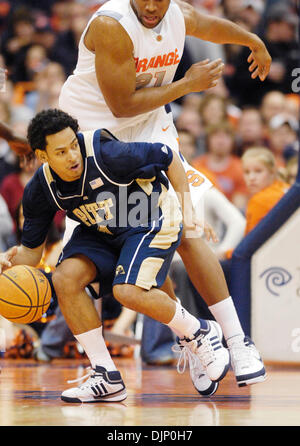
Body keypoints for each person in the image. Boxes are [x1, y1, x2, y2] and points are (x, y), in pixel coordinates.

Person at [57, 0, 270, 390]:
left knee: (187, 230)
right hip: (98, 141)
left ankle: (239, 342)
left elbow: (207, 24)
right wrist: (188, 84)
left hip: (151, 128)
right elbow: (121, 107)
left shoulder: (176, 13)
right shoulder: (112, 26)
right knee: (141, 246)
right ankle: (193, 338)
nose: (153, 6)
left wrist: (252, 39)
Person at [0, 108, 231, 403]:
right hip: (102, 231)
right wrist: (7, 263)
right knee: (65, 277)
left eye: (74, 145)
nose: (72, 156)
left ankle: (200, 331)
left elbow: (168, 156)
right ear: (43, 157)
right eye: (61, 151)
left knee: (128, 291)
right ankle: (106, 375)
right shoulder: (39, 189)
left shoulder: (106, 152)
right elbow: (31, 258)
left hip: (148, 216)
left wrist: (188, 209)